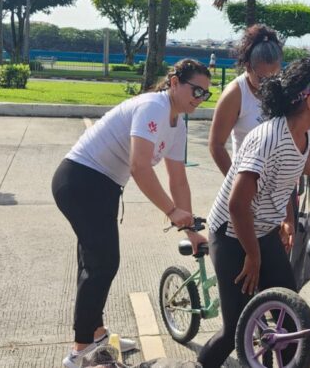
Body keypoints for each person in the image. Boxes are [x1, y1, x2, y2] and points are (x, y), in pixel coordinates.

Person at [52, 59, 212, 368]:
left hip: (103, 186)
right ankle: (80, 351)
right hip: (81, 180)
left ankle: (96, 335)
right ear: (175, 82)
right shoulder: (153, 107)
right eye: (196, 90)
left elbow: (178, 178)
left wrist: (190, 227)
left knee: (94, 263)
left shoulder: (178, 121)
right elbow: (140, 166)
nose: (200, 98)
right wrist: (171, 210)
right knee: (102, 263)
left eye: (205, 94)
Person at [198, 59, 310, 368]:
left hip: (262, 231)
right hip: (232, 233)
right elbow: (237, 204)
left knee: (291, 320)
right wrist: (253, 255)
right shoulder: (269, 139)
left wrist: (287, 219)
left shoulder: (304, 136)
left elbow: (284, 185)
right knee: (237, 327)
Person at [209, 25, 286, 176]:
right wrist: (234, 182)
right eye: (262, 79)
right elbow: (216, 145)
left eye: (275, 77)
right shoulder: (235, 93)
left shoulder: (283, 87)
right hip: (247, 181)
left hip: (280, 182)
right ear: (248, 67)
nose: (269, 84)